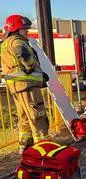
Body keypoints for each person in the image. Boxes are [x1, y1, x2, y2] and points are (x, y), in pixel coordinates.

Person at [0, 15, 49, 154]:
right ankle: (43, 148)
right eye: (24, 28)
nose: (27, 31)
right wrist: (33, 68)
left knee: (24, 118)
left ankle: (25, 146)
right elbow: (23, 55)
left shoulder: (5, 43)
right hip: (27, 85)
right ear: (16, 29)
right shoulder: (17, 41)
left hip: (16, 87)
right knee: (37, 115)